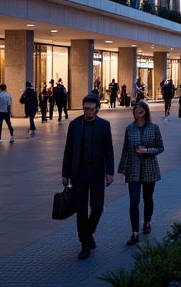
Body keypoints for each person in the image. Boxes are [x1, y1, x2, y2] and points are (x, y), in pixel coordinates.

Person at [61, 94, 114, 260]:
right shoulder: (75, 125)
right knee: (81, 210)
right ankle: (84, 245)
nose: (88, 112)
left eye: (91, 109)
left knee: (97, 208)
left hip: (97, 173)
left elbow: (109, 150)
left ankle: (87, 234)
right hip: (79, 173)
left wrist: (110, 172)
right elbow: (68, 150)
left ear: (97, 109)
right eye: (85, 108)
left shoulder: (104, 125)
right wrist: (65, 173)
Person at [117, 99, 164, 246]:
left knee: (148, 198)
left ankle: (147, 222)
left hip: (149, 168)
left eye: (140, 111)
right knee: (134, 200)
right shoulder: (129, 129)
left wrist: (147, 151)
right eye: (135, 111)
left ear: (145, 112)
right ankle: (134, 232)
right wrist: (122, 169)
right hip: (134, 168)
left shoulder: (154, 128)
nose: (137, 114)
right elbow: (125, 149)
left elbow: (160, 147)